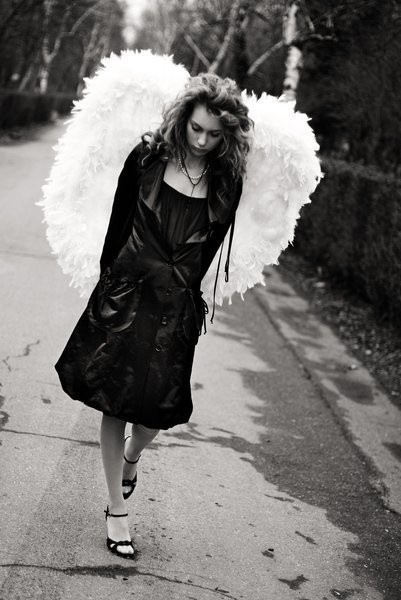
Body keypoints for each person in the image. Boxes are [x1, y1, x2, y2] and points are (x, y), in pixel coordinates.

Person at [55, 72, 253, 559]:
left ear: (227, 136)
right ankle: (116, 509)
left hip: (174, 305)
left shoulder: (227, 182)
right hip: (126, 294)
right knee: (114, 402)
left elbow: (208, 252)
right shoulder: (146, 159)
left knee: (153, 417)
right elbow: (118, 224)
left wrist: (186, 297)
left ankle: (132, 455)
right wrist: (107, 288)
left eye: (214, 134)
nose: (202, 141)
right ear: (183, 118)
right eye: (196, 128)